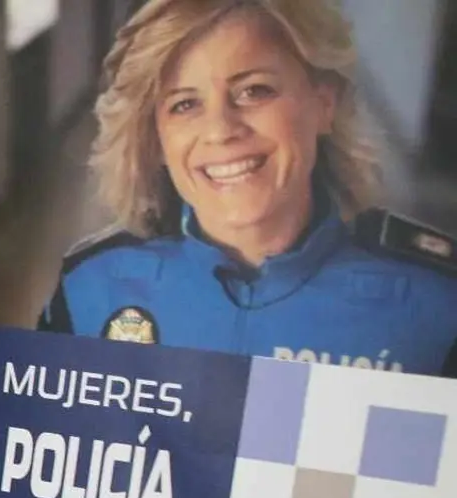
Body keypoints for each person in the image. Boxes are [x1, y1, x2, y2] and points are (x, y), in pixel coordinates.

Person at [38, 0, 457, 378]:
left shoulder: (438, 303)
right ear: (156, 140)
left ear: (324, 103)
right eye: (185, 104)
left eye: (254, 91)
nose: (221, 130)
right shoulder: (90, 286)